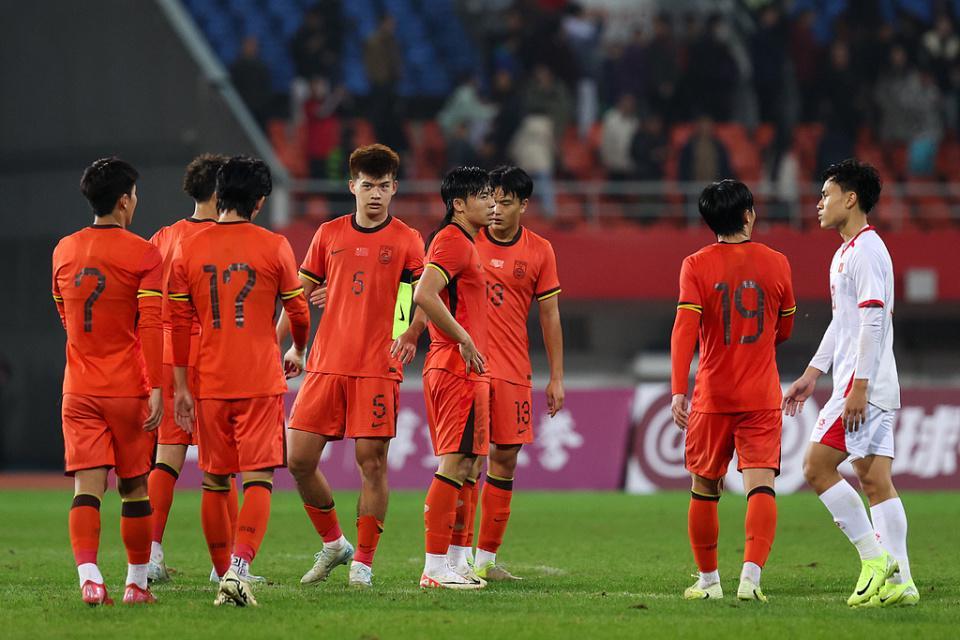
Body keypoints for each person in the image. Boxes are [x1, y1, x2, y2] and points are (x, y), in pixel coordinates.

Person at [277, 144, 424, 589]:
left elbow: (422, 296)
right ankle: (334, 543)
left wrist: (411, 332)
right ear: (352, 186)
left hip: (378, 366)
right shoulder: (328, 234)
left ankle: (363, 562)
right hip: (326, 364)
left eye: (384, 186)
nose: (375, 194)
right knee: (298, 459)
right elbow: (298, 296)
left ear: (394, 189)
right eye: (368, 185)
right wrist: (281, 345)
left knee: (371, 464)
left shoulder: (408, 239)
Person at [169, 156, 310, 607]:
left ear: (218, 195)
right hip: (259, 380)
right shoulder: (274, 246)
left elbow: (177, 324)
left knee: (214, 481)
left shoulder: (188, 248)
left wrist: (182, 387)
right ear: (260, 201)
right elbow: (299, 311)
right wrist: (298, 348)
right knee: (258, 480)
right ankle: (239, 569)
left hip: (209, 381)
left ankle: (221, 573)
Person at [784, 159, 919, 608]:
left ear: (851, 198)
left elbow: (873, 319)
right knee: (874, 479)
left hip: (863, 386)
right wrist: (813, 372)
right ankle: (902, 582)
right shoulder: (848, 251)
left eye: (826, 194)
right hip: (867, 381)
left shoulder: (864, 252)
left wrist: (858, 387)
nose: (819, 203)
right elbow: (844, 323)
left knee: (815, 467)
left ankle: (875, 560)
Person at [670, 179, 796, 602]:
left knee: (704, 488)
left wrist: (678, 390)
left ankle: (709, 582)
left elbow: (684, 331)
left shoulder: (695, 265)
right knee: (761, 485)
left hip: (712, 395)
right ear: (747, 215)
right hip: (761, 394)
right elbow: (785, 328)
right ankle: (751, 579)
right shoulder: (777, 262)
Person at [52, 157, 164, 605]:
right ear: (123, 201)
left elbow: (64, 313)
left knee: (87, 487)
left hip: (79, 387)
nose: (136, 201)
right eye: (134, 195)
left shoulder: (64, 250)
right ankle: (136, 584)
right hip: (127, 387)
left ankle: (90, 576)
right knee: (134, 487)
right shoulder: (144, 253)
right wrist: (158, 386)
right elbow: (151, 325)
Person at [448, 166, 564, 581]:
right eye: (491, 200)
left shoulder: (540, 250)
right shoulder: (466, 240)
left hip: (514, 369)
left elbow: (550, 315)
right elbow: (426, 288)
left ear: (524, 205)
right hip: (469, 367)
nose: (495, 209)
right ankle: (456, 559)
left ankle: (485, 559)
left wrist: (557, 376)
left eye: (505, 202)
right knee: (467, 462)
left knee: (505, 460)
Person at [147, 154, 233, 584]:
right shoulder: (226, 238)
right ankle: (228, 567)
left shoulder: (163, 237)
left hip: (167, 355)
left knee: (166, 458)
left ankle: (151, 554)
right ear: (220, 191)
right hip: (212, 355)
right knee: (221, 466)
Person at [414, 167, 493, 589]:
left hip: (468, 366)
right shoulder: (451, 240)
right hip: (454, 364)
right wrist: (462, 337)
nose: (492, 203)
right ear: (459, 204)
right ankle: (434, 566)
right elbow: (423, 294)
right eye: (483, 196)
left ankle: (457, 561)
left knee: (470, 464)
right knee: (454, 462)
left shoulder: (466, 242)